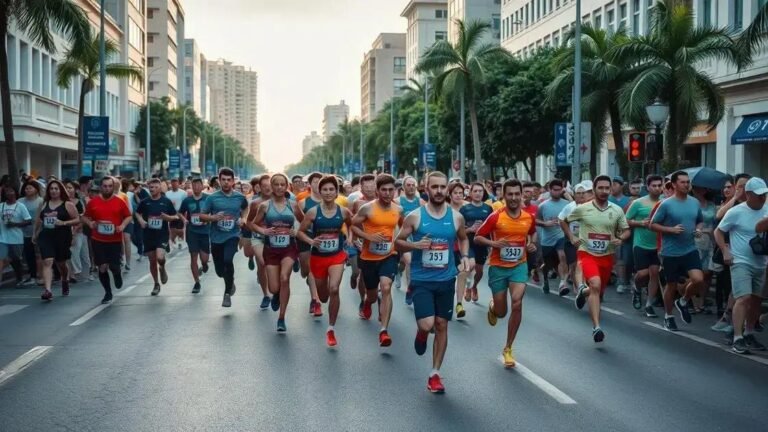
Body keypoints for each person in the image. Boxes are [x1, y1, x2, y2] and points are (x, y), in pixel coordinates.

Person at [395, 171, 471, 393]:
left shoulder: (456, 217)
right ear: (426, 189)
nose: (439, 191)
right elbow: (398, 243)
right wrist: (415, 246)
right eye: (434, 187)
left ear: (447, 189)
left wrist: (465, 256)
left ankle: (435, 373)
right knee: (427, 325)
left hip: (446, 279)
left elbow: (464, 238)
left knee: (441, 324)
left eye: (442, 187)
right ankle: (420, 333)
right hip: (422, 280)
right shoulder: (415, 217)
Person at [474, 179, 537, 368]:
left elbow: (532, 232)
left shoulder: (528, 217)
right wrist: (493, 244)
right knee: (502, 312)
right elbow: (478, 236)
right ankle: (494, 307)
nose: (514, 198)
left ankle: (508, 348)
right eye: (510, 194)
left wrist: (531, 244)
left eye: (517, 194)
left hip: (519, 265)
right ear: (504, 195)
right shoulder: (495, 216)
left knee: (517, 303)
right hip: (498, 268)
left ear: (522, 195)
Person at [563, 175, 630, 342]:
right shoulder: (583, 208)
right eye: (600, 188)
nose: (604, 191)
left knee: (597, 290)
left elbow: (626, 230)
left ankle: (581, 292)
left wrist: (621, 238)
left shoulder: (616, 210)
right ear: (594, 190)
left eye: (607, 188)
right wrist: (572, 237)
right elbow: (563, 220)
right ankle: (596, 327)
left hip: (607, 256)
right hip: (587, 253)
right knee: (595, 284)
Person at [296, 176, 352, 347]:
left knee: (334, 288)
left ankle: (331, 328)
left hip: (337, 256)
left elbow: (352, 225)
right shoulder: (313, 212)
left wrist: (350, 238)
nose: (328, 193)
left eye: (331, 189)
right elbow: (300, 232)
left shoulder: (343, 211)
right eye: (325, 190)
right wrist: (312, 241)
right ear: (320, 192)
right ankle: (322, 297)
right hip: (318, 257)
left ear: (336, 192)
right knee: (324, 296)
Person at [715, 177, 768, 354]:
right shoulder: (736, 212)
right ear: (749, 194)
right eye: (759, 195)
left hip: (761, 261)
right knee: (743, 298)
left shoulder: (767, 209)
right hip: (740, 261)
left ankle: (749, 333)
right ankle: (737, 337)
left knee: (756, 300)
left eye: (765, 194)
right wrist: (725, 251)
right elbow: (718, 232)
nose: (762, 198)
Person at [650, 171, 706, 331]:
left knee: (699, 280)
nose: (686, 185)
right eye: (682, 182)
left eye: (688, 182)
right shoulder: (666, 204)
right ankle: (669, 316)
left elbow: (700, 221)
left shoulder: (694, 202)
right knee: (671, 284)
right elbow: (652, 225)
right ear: (674, 185)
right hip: (670, 252)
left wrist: (699, 229)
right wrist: (670, 229)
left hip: (690, 249)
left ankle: (682, 301)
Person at [352, 174, 403, 347]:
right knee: (373, 296)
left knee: (386, 287)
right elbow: (352, 225)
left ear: (395, 191)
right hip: (369, 258)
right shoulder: (367, 208)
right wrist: (368, 236)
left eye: (391, 190)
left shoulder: (398, 209)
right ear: (377, 191)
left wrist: (401, 244)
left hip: (389, 255)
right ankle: (367, 302)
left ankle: (383, 331)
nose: (388, 193)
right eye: (384, 190)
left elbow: (404, 228)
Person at [250, 173, 303, 331]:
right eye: (276, 184)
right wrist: (263, 231)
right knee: (274, 288)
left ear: (287, 186)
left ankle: (281, 318)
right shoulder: (265, 206)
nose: (280, 187)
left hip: (289, 248)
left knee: (284, 277)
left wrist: (296, 230)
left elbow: (304, 221)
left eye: (282, 184)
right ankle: (276, 295)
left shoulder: (293, 205)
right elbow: (253, 224)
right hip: (271, 249)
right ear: (271, 187)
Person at [199, 168, 249, 308]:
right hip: (216, 238)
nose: (226, 182)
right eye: (223, 180)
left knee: (228, 259)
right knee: (220, 271)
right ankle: (230, 283)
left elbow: (245, 208)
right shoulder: (212, 198)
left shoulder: (239, 197)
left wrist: (243, 219)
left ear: (233, 181)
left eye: (229, 180)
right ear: (219, 181)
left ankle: (227, 293)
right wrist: (213, 217)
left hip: (232, 235)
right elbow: (202, 216)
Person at [81, 177, 132, 304]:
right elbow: (84, 217)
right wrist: (90, 223)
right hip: (98, 239)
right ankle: (108, 292)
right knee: (102, 267)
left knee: (114, 267)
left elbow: (128, 216)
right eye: (105, 186)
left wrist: (122, 226)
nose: (107, 188)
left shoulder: (119, 201)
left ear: (113, 187)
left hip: (114, 240)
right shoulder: (93, 202)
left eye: (110, 186)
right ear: (101, 187)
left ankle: (117, 273)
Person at [32, 180, 79, 300]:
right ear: (48, 191)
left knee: (61, 263)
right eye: (51, 189)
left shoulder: (67, 204)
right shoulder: (43, 204)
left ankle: (65, 279)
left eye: (56, 188)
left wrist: (63, 223)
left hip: (62, 236)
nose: (53, 191)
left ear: (60, 190)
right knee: (47, 261)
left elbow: (77, 220)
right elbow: (38, 220)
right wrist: (35, 234)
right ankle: (48, 290)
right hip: (46, 236)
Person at [625, 175, 664, 317]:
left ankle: (649, 304)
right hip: (641, 243)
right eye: (654, 185)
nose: (657, 188)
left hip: (658, 245)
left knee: (654, 273)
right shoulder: (638, 203)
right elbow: (626, 220)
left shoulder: (665, 203)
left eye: (660, 185)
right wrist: (641, 223)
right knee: (643, 274)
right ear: (647, 187)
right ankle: (636, 287)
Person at [134, 179, 179, 295]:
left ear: (159, 188)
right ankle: (156, 284)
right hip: (148, 235)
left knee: (160, 257)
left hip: (161, 235)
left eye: (154, 187)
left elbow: (175, 217)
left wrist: (167, 218)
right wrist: (141, 220)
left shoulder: (166, 201)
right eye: (150, 187)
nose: (152, 189)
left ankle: (162, 268)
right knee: (152, 261)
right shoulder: (145, 202)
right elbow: (137, 213)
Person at [460, 182, 493, 305]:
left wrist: (491, 244)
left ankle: (474, 286)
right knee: (471, 265)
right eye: (475, 191)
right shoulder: (464, 209)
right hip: (468, 242)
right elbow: (460, 229)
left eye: (480, 191)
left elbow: (492, 227)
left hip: (482, 243)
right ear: (470, 193)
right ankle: (468, 287)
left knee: (479, 271)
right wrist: (470, 229)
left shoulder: (488, 208)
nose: (478, 193)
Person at [535, 179, 570, 295]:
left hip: (561, 236)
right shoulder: (543, 206)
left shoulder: (566, 204)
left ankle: (563, 283)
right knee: (547, 264)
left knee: (561, 256)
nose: (557, 192)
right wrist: (545, 223)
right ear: (550, 190)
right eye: (555, 190)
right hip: (547, 240)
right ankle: (545, 280)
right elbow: (536, 220)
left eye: (559, 190)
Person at [298, 172, 324, 317]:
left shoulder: (333, 202)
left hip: (324, 237)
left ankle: (316, 300)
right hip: (306, 237)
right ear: (310, 184)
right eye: (315, 181)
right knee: (307, 270)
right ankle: (315, 297)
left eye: (321, 181)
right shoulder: (303, 203)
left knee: (316, 270)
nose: (318, 184)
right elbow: (298, 223)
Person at [244, 174, 272, 308]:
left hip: (277, 239)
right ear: (259, 188)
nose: (268, 189)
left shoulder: (283, 201)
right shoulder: (255, 203)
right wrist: (260, 230)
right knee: (262, 263)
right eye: (264, 186)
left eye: (270, 185)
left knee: (275, 267)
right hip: (259, 238)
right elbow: (248, 222)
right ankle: (266, 295)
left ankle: (275, 290)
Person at [395, 176, 424, 298]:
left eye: (413, 185)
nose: (411, 187)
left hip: (416, 235)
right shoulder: (397, 201)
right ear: (403, 187)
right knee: (406, 261)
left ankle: (409, 289)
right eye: (408, 185)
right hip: (402, 235)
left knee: (409, 262)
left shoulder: (421, 202)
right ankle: (398, 272)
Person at [448, 182, 471, 318]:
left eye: (460, 193)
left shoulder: (468, 208)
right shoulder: (444, 209)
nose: (458, 195)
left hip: (461, 246)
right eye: (455, 193)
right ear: (450, 194)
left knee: (463, 272)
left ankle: (459, 304)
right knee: (449, 278)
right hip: (446, 248)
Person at [0, 187, 32, 287]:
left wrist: (15, 224)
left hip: (16, 238)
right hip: (3, 238)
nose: (9, 193)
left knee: (15, 260)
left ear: (15, 193)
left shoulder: (20, 206)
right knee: (2, 259)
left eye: (11, 191)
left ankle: (19, 277)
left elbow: (28, 220)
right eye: (7, 192)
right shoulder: (1, 206)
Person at [64, 180, 89, 282]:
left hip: (79, 230)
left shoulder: (80, 201)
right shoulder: (63, 202)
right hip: (66, 230)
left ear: (75, 190)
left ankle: (86, 273)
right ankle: (72, 274)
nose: (68, 190)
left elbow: (84, 216)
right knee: (71, 252)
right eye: (66, 187)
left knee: (83, 253)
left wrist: (76, 229)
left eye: (70, 187)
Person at [19, 180, 43, 286]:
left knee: (39, 254)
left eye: (30, 188)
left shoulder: (41, 201)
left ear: (36, 189)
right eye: (26, 188)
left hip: (39, 231)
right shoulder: (20, 201)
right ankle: (32, 275)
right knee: (28, 255)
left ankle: (40, 275)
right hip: (23, 232)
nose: (28, 190)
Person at [165, 178, 187, 251]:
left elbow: (185, 203)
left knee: (180, 229)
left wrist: (185, 214)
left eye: (176, 183)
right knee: (172, 229)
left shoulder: (183, 193)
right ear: (171, 184)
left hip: (180, 213)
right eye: (173, 183)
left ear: (178, 184)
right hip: (171, 214)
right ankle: (173, 240)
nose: (174, 184)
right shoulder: (167, 193)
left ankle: (180, 241)